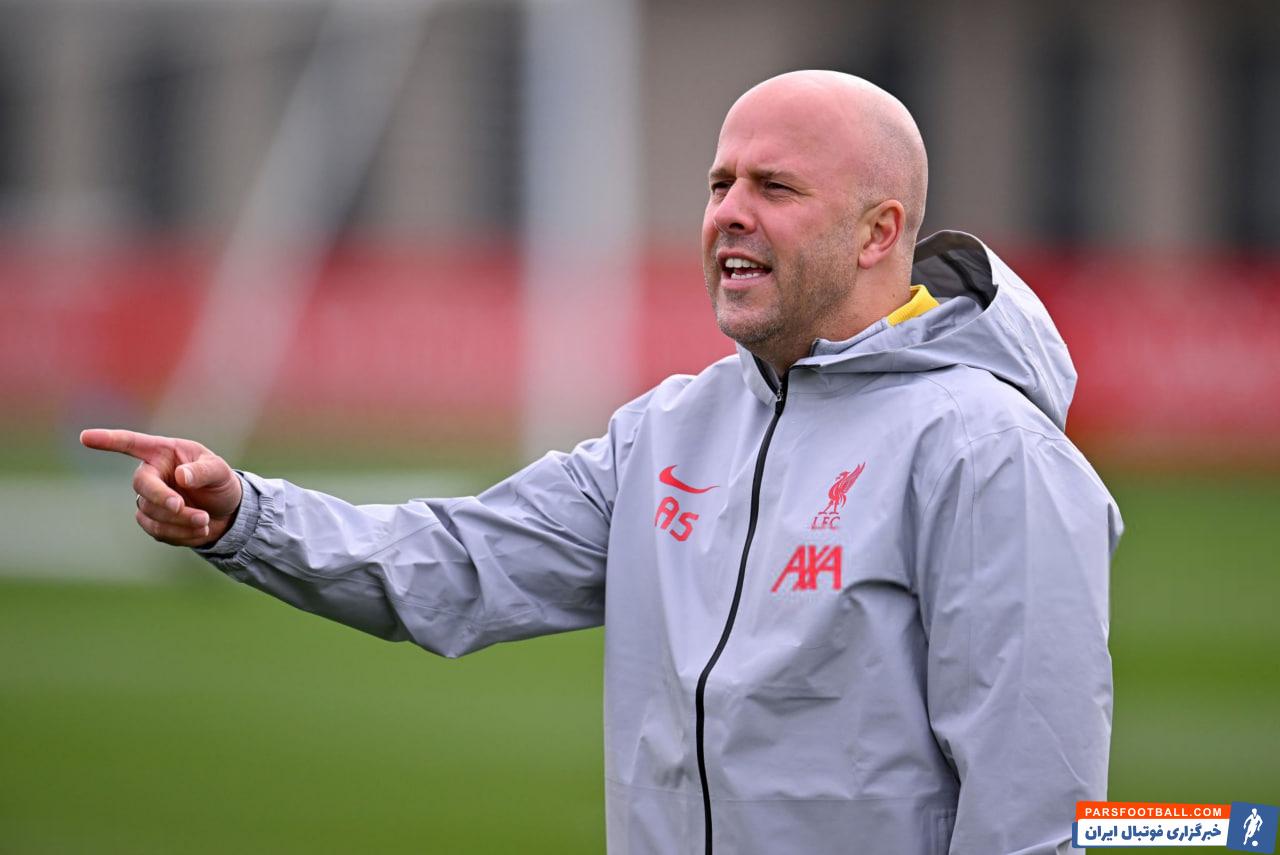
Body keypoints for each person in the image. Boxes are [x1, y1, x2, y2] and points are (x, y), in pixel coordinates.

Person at [82, 70, 1122, 855]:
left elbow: (1035, 804)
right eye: (719, 182)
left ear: (876, 232)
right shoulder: (668, 430)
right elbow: (462, 561)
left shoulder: (988, 452)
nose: (729, 211)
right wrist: (248, 517)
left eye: (774, 186)